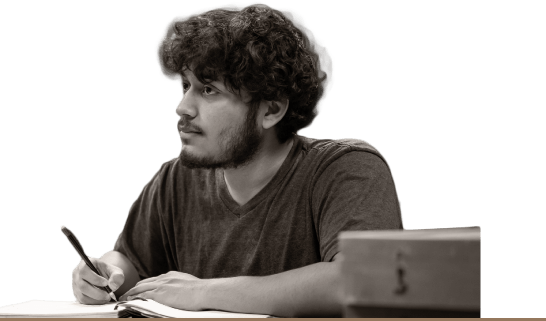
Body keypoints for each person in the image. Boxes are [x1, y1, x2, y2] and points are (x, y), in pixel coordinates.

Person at [70, 2, 404, 317]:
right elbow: (130, 263)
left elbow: (360, 279)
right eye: (184, 86)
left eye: (208, 89)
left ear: (271, 109)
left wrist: (204, 293)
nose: (182, 107)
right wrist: (104, 273)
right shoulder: (175, 179)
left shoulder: (347, 168)